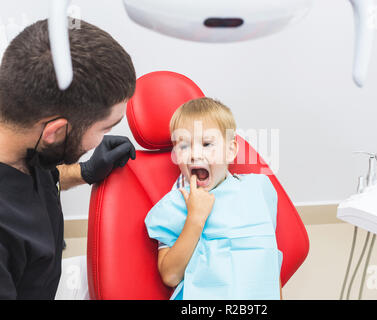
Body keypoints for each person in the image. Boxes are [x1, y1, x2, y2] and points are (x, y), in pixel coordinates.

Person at [0, 19, 136, 299]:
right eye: (105, 128)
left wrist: (85, 172)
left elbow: (34, 183)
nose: (105, 138)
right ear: (56, 131)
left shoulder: (23, 133)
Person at [145, 97, 283, 300]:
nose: (194, 154)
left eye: (207, 143)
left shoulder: (258, 190)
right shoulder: (174, 205)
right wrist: (195, 218)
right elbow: (170, 275)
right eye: (183, 146)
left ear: (231, 150)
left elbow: (268, 256)